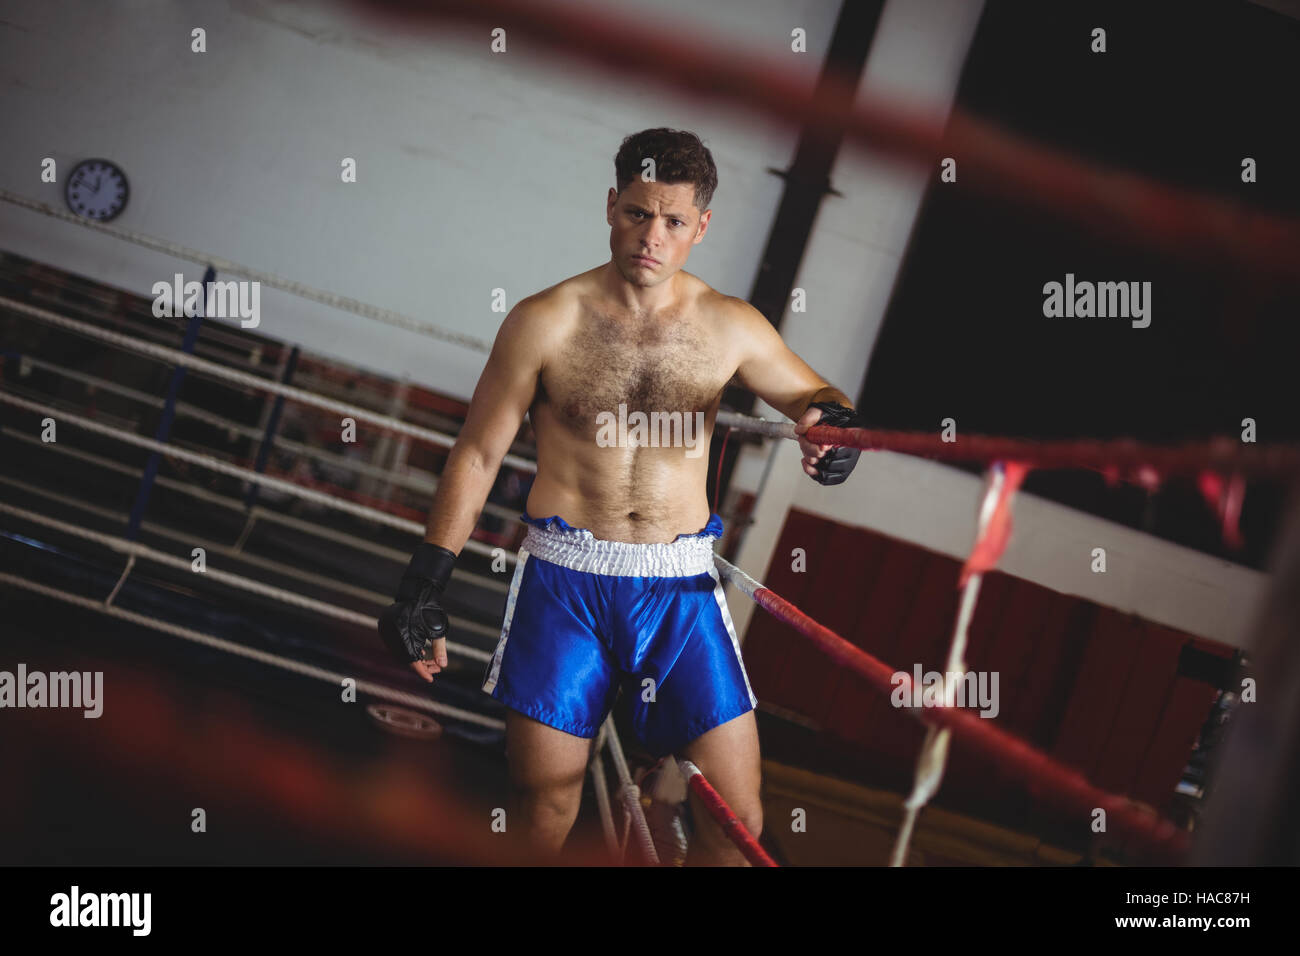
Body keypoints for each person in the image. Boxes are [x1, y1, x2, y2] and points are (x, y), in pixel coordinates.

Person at [379, 128, 863, 865]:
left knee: (739, 823)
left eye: (673, 221)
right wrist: (426, 577)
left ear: (701, 227)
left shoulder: (729, 326)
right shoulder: (544, 320)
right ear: (611, 206)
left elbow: (816, 394)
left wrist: (831, 428)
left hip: (679, 590)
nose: (651, 236)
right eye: (637, 213)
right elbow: (478, 452)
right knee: (544, 803)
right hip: (565, 581)